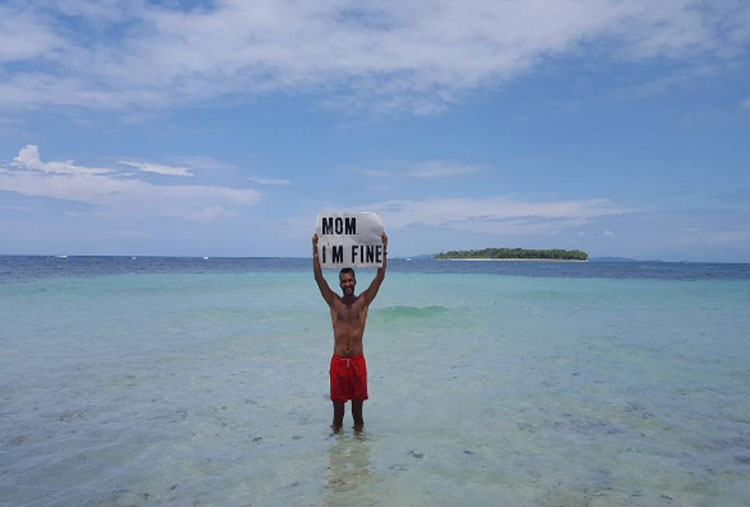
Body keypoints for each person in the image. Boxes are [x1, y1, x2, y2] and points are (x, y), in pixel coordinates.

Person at [312, 231, 388, 433]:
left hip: (356, 362)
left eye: (350, 281)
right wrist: (315, 251)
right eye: (343, 281)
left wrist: (384, 249)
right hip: (338, 363)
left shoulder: (362, 303)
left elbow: (379, 277)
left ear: (355, 282)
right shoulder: (334, 303)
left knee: (358, 416)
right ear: (340, 283)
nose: (347, 284)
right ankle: (336, 459)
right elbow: (318, 279)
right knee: (337, 417)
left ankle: (359, 458)